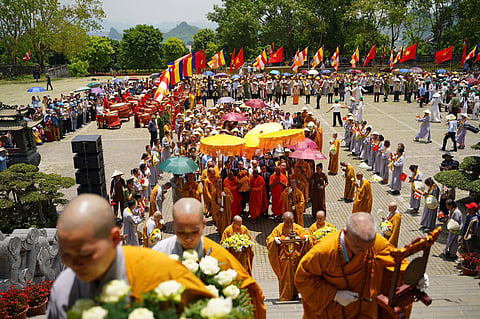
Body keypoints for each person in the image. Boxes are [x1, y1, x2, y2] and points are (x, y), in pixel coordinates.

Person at [47, 194, 213, 318]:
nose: (75, 264)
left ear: (114, 238)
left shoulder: (159, 270)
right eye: (66, 255)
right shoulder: (63, 289)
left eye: (86, 254)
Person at [153, 198, 266, 319]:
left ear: (203, 224)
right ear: (173, 224)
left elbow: (246, 298)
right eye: (181, 232)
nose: (188, 238)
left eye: (194, 231)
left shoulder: (220, 256)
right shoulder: (160, 252)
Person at [295, 213, 422, 319]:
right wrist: (335, 295)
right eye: (358, 248)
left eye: (369, 247)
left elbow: (396, 260)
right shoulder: (324, 251)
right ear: (346, 233)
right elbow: (302, 278)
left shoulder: (374, 242)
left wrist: (414, 275)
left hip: (364, 309)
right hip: (334, 311)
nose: (364, 252)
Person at [267, 212, 311, 301]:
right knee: (285, 278)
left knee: (296, 276)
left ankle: (295, 294)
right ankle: (285, 295)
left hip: (296, 257)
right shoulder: (279, 229)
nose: (290, 224)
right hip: (285, 258)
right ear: (283, 221)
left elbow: (309, 237)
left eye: (291, 222)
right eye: (287, 222)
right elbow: (269, 239)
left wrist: (307, 239)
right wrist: (275, 240)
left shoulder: (297, 228)